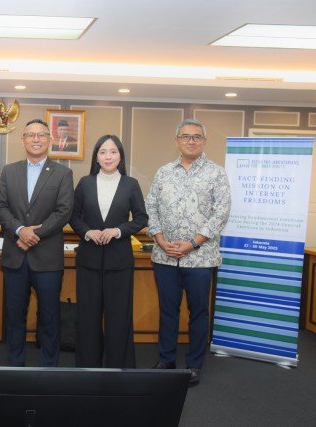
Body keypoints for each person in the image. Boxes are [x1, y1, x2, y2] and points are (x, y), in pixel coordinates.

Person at [146, 118, 231, 387]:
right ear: (177, 141)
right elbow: (150, 208)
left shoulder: (216, 173)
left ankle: (194, 364)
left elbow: (221, 214)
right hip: (165, 256)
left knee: (198, 312)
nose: (191, 141)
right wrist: (160, 240)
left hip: (200, 258)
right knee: (168, 311)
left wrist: (193, 243)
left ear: (204, 141)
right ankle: (166, 360)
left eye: (196, 137)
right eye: (185, 136)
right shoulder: (163, 173)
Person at [0, 119, 74, 367]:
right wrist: (20, 231)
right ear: (23, 140)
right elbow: (1, 206)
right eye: (31, 135)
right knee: (14, 315)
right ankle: (15, 365)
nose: (36, 139)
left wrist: (32, 236)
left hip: (47, 258)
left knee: (50, 316)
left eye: (41, 135)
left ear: (50, 140)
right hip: (15, 257)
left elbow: (64, 211)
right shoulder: (9, 171)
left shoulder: (62, 173)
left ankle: (48, 367)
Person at [69, 135, 148, 368]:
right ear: (96, 157)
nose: (108, 156)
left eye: (113, 152)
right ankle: (88, 367)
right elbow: (73, 216)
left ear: (120, 156)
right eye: (103, 152)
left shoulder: (130, 184)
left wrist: (118, 231)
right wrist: (87, 232)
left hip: (119, 261)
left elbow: (141, 218)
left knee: (118, 318)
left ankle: (119, 368)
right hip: (89, 261)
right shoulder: (85, 183)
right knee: (88, 317)